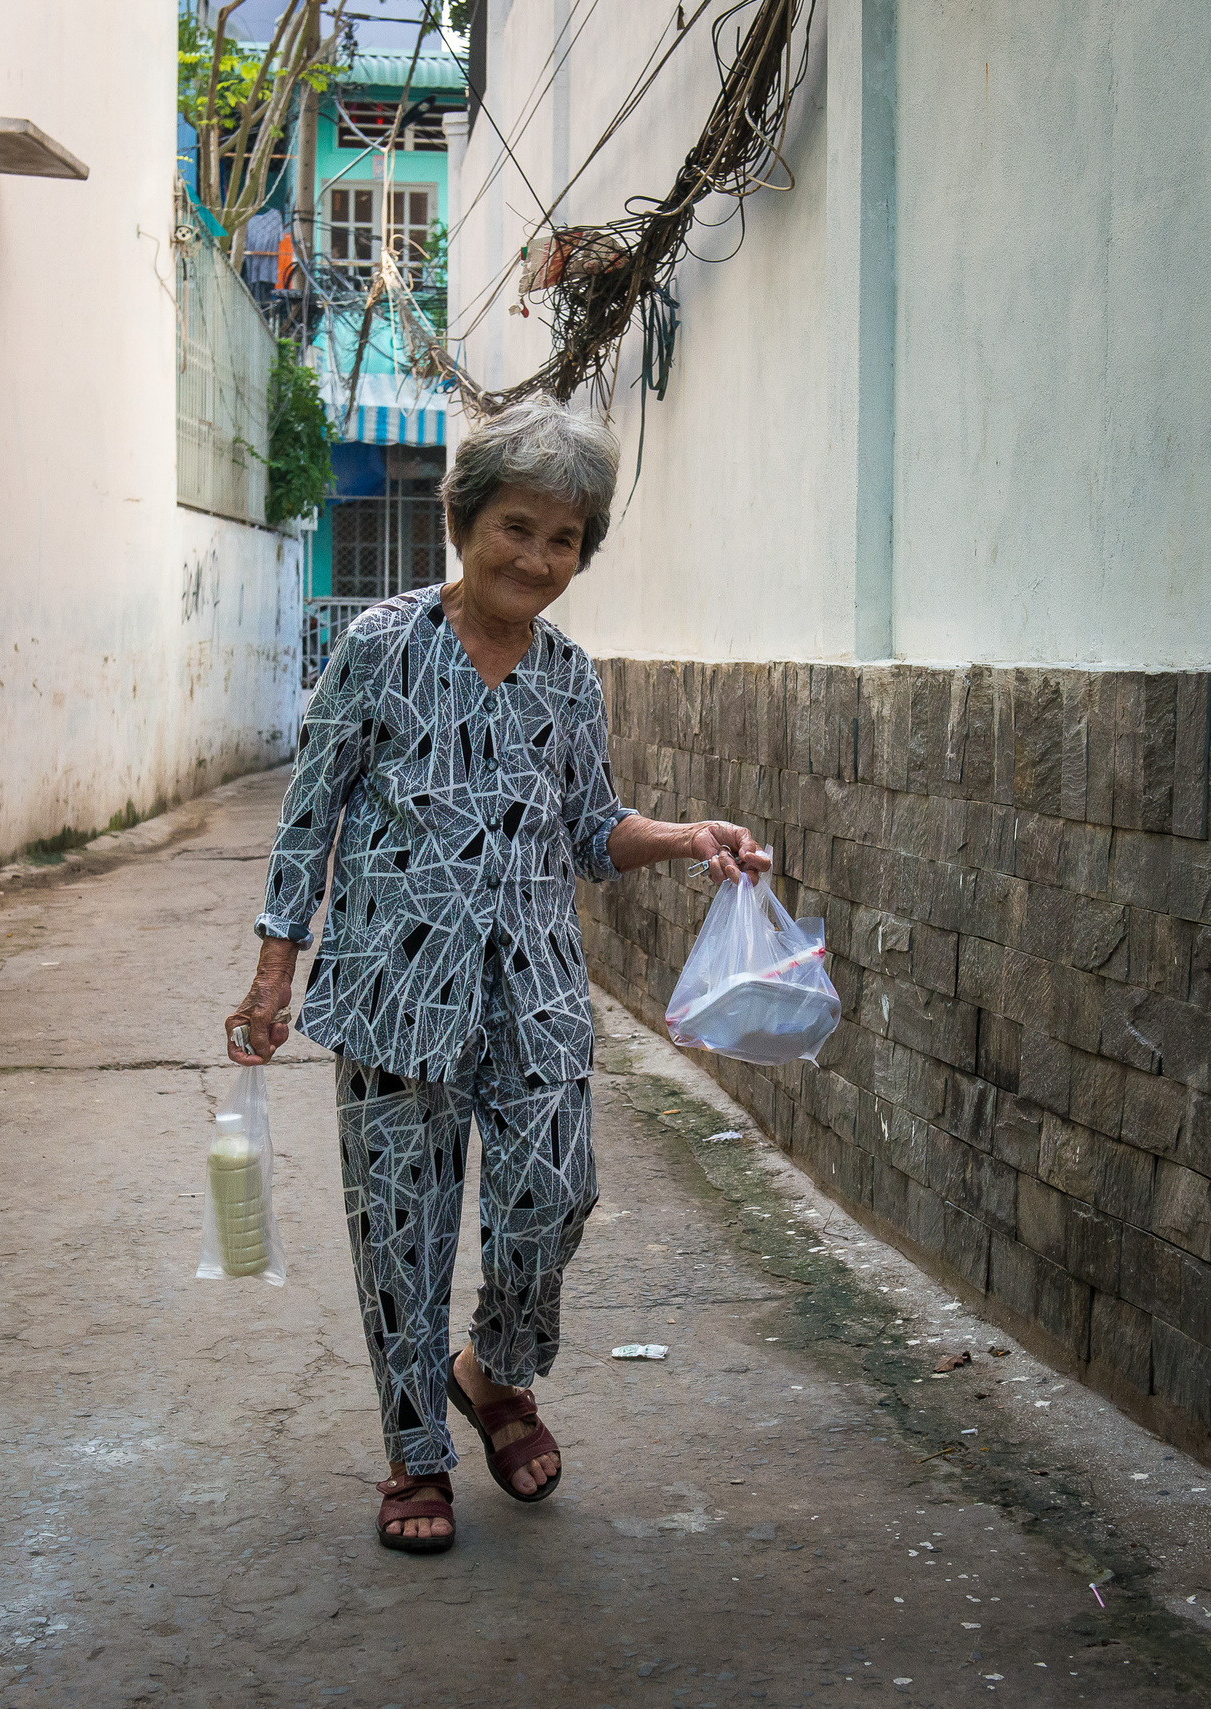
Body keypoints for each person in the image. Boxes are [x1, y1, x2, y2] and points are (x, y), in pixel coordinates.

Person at [225, 398, 769, 1554]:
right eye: (516, 526)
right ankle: (415, 1449)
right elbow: (309, 815)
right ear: (464, 520)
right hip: (393, 987)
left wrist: (686, 836)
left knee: (552, 1194)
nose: (536, 557)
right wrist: (274, 969)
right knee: (402, 1232)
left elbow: (590, 829)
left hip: (534, 992)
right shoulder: (380, 646)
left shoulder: (568, 675)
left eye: (563, 538)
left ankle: (494, 1369)